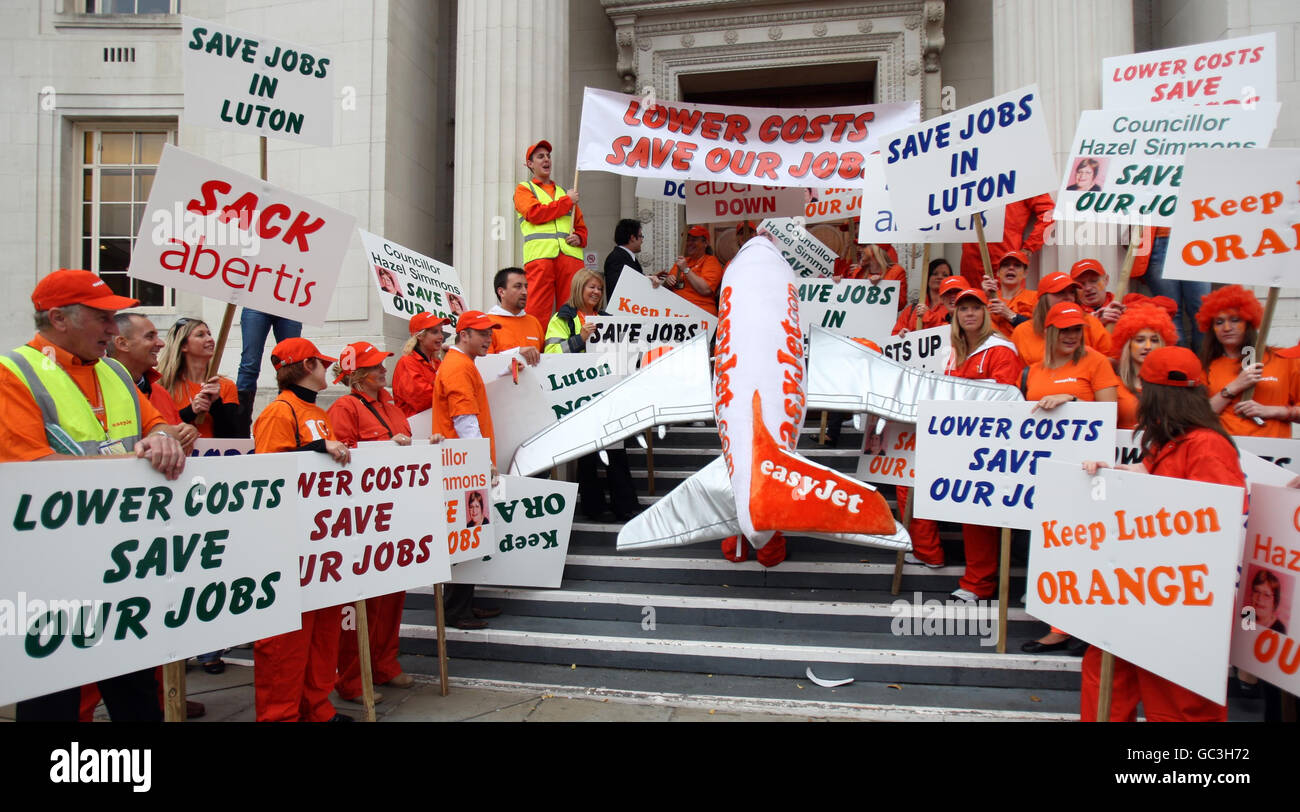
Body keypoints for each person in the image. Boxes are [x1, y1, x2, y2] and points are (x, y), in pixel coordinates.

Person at [0, 269, 187, 722]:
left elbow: (153, 424)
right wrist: (138, 462)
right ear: (59, 318)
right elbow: (30, 472)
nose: (112, 327)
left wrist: (162, 435)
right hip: (53, 576)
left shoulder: (113, 372)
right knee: (53, 699)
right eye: (102, 316)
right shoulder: (13, 374)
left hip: (121, 568)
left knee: (138, 693)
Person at [1079, 346, 1245, 722]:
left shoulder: (1206, 445)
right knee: (1105, 674)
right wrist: (1114, 474)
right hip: (1146, 589)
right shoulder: (1173, 442)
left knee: (1178, 701)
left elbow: (1216, 526)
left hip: (1181, 598)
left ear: (1148, 392)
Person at [252, 337, 352, 722]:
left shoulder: (314, 411)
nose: (328, 368)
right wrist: (315, 450)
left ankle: (316, 707)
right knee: (286, 639)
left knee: (323, 631)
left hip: (319, 536)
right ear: (307, 365)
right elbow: (268, 471)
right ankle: (281, 715)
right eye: (322, 363)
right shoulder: (279, 411)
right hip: (289, 539)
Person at [1020, 301, 1120, 653]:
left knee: (1087, 546)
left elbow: (1112, 415)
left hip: (1087, 472)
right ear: (1049, 332)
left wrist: (1069, 401)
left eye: (1076, 329)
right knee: (1054, 546)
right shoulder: (1031, 371)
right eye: (1063, 330)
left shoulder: (1096, 362)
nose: (1071, 336)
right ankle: (1059, 625)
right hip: (1043, 473)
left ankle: (1086, 627)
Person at [326, 341, 421, 704]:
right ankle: (352, 679)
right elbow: (341, 460)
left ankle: (385, 664)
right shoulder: (344, 407)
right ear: (362, 377)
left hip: (394, 514)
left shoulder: (389, 404)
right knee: (360, 607)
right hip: (363, 520)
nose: (385, 371)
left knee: (392, 596)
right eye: (378, 367)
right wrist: (385, 449)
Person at [942, 288, 1025, 599]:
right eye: (963, 309)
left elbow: (1007, 399)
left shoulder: (1001, 349)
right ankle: (977, 581)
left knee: (984, 515)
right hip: (961, 445)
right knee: (971, 515)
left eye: (976, 307)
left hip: (993, 447)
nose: (969, 314)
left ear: (986, 313)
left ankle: (981, 583)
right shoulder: (951, 352)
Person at [544, 271, 640, 521]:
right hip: (579, 397)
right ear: (579, 288)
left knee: (616, 449)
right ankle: (593, 508)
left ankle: (624, 504)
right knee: (587, 456)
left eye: (599, 288)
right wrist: (580, 339)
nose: (596, 292)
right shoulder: (562, 318)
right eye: (591, 287)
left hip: (608, 395)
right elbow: (551, 353)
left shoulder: (609, 319)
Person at [433, 310, 505, 629]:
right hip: (462, 467)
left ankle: (462, 605)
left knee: (469, 536)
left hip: (464, 465)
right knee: (465, 537)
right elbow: (465, 420)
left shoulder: (461, 364)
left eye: (490, 333)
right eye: (482, 333)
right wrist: (482, 463)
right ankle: (456, 610)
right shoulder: (459, 366)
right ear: (464, 335)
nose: (489, 338)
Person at [1198, 285, 1300, 438]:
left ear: (1249, 322)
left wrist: (1273, 411)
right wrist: (1233, 388)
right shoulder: (1205, 365)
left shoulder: (1283, 359)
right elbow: (1197, 417)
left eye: (1235, 320)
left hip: (1273, 454)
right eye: (1219, 322)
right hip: (1225, 451)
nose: (1226, 328)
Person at [515, 139, 586, 325]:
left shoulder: (565, 193)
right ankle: (535, 351)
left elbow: (581, 227)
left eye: (548, 156)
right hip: (540, 257)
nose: (546, 159)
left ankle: (572, 350)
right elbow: (534, 213)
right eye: (540, 156)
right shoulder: (524, 189)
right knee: (537, 310)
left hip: (570, 258)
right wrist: (567, 202)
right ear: (530, 164)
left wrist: (579, 237)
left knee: (574, 310)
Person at [110, 312, 199, 454]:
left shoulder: (159, 392)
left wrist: (187, 433)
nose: (161, 343)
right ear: (122, 343)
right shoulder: (101, 389)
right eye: (150, 337)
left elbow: (176, 440)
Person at [159, 318, 249, 440]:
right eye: (200, 335)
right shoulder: (163, 385)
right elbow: (157, 430)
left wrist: (216, 403)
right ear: (183, 345)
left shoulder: (225, 385)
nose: (210, 339)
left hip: (213, 457)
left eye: (209, 334)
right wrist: (191, 410)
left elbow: (233, 437)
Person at [1010, 271, 1112, 365]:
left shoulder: (1089, 322)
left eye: (1072, 292)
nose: (1068, 297)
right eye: (1060, 292)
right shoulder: (1022, 332)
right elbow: (1014, 375)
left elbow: (1114, 362)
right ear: (1043, 299)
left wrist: (1086, 359)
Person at [959, 192, 1054, 288]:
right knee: (971, 300)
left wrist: (1029, 247)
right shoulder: (969, 177)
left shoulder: (1024, 178)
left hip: (1006, 262)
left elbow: (1049, 213)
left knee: (1008, 301)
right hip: (971, 262)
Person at [1109, 300, 1178, 429]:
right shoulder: (1113, 385)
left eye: (1154, 340)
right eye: (1140, 340)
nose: (1147, 347)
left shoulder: (1173, 385)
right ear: (1127, 345)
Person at [236, 307, 303, 426]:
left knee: (291, 367)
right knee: (249, 365)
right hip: (256, 303)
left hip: (289, 305)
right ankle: (239, 425)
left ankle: (286, 422)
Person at [652, 225, 724, 316]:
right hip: (676, 312)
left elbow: (705, 290)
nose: (689, 243)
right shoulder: (682, 261)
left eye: (693, 240)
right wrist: (667, 281)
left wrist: (686, 269)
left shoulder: (711, 261)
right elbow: (667, 288)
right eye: (687, 240)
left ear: (705, 243)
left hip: (700, 313)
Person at [393, 311, 449, 417]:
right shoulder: (407, 362)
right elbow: (425, 400)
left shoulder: (436, 362)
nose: (441, 336)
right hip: (415, 428)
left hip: (432, 424)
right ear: (420, 336)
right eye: (435, 332)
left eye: (441, 331)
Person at [487, 267, 544, 364]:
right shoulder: (486, 323)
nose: (524, 292)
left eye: (526, 287)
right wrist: (517, 352)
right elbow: (485, 363)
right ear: (501, 292)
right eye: (518, 286)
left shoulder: (534, 322)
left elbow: (545, 360)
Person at [981, 249, 1039, 338]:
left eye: (1017, 265)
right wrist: (983, 299)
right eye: (1006, 265)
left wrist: (1009, 314)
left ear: (1025, 273)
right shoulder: (986, 297)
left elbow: (1039, 332)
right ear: (998, 272)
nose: (1011, 268)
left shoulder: (1036, 298)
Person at [894, 259, 958, 334]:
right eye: (935, 273)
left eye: (945, 275)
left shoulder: (954, 307)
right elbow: (895, 334)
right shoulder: (911, 309)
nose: (939, 277)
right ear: (927, 277)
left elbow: (953, 331)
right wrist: (902, 336)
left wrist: (929, 316)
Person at [1070, 258, 1124, 326]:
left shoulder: (1124, 303)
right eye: (1081, 284)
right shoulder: (1071, 315)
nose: (1088, 288)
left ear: (1106, 280)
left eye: (1093, 281)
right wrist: (1096, 323)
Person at [603, 218, 644, 296]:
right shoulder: (616, 259)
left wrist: (647, 278)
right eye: (640, 236)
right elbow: (619, 287)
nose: (642, 240)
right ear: (632, 238)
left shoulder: (627, 257)